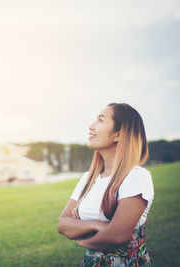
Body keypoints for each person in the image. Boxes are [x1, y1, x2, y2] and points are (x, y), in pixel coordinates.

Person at [57, 103, 154, 266]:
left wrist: (83, 241)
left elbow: (117, 236)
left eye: (100, 120)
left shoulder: (137, 176)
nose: (91, 126)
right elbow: (63, 223)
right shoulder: (87, 179)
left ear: (118, 134)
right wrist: (97, 225)